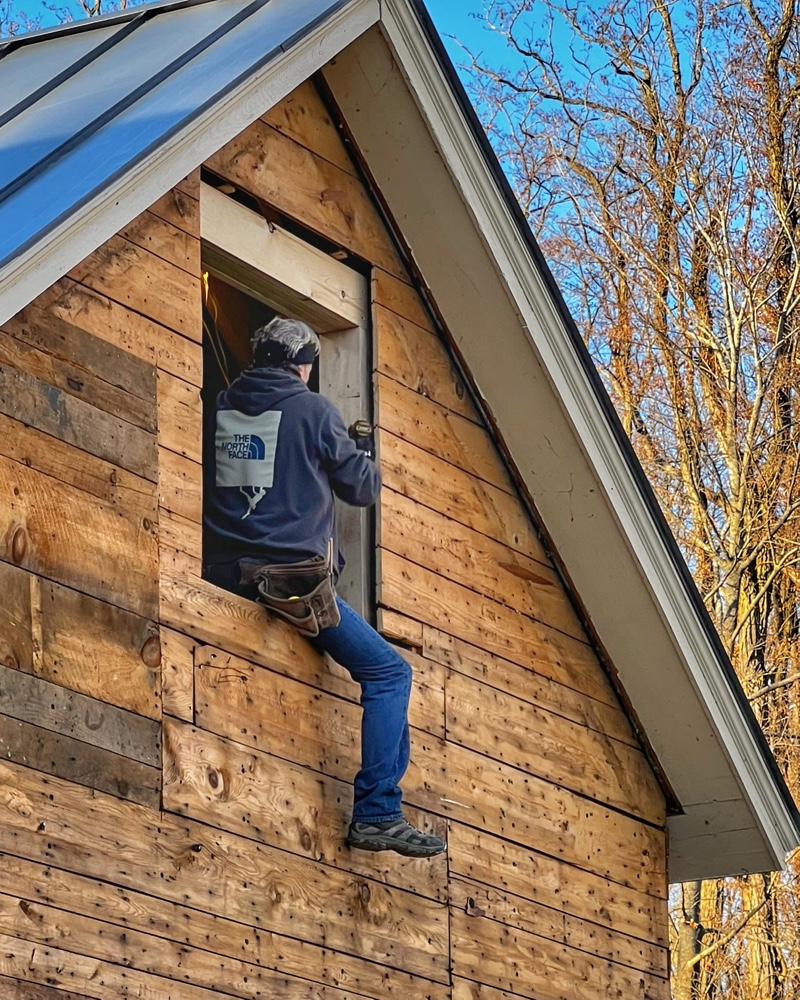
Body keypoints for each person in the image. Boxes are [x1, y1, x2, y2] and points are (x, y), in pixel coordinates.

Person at [204, 316, 446, 859]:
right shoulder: (313, 410)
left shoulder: (218, 409)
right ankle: (379, 812)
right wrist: (361, 453)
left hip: (224, 574)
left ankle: (382, 810)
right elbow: (361, 488)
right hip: (292, 583)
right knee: (390, 671)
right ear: (305, 365)